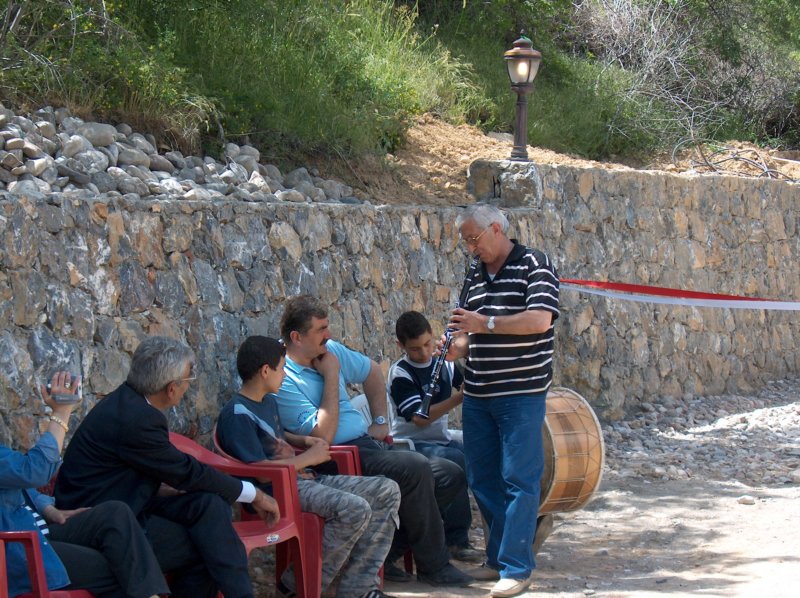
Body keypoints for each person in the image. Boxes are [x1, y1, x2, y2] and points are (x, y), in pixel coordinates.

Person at [54, 336, 281, 598]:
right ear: (172, 388)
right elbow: (187, 472)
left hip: (131, 501)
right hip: (103, 523)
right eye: (188, 380)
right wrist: (255, 494)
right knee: (209, 545)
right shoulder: (137, 419)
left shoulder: (130, 402)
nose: (188, 387)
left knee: (209, 506)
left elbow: (162, 472)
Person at [274, 295, 473, 587]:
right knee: (416, 467)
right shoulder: (285, 376)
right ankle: (434, 566)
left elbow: (371, 372)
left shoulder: (330, 350)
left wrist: (380, 420)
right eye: (321, 329)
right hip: (335, 457)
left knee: (449, 474)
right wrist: (331, 375)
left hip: (367, 445)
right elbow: (323, 437)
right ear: (296, 337)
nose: (328, 335)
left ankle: (386, 552)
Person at [216, 335, 401, 598]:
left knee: (387, 490)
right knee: (354, 508)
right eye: (281, 369)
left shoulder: (267, 401)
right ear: (265, 371)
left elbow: (276, 436)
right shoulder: (236, 414)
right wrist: (308, 458)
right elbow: (258, 469)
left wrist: (302, 440)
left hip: (303, 480)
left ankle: (358, 588)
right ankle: (294, 586)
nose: (284, 375)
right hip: (276, 491)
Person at [443, 203, 560, 598]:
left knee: (518, 479)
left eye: (474, 239)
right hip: (477, 394)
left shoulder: (535, 264)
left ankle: (516, 567)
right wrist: (457, 347)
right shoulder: (475, 274)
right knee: (482, 479)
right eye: (467, 242)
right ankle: (499, 557)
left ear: (496, 228)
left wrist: (485, 324)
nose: (472, 249)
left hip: (521, 394)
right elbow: (467, 333)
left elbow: (539, 320)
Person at [1, 371, 168, 598]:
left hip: (40, 529)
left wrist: (49, 509)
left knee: (115, 513)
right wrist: (61, 412)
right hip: (21, 548)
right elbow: (34, 470)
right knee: (117, 570)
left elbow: (15, 483)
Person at [386, 310, 481, 562]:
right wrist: (458, 397)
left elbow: (468, 382)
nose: (425, 353)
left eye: (428, 344)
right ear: (401, 346)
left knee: (477, 451)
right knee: (456, 461)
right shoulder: (400, 374)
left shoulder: (446, 361)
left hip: (439, 439)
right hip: (409, 446)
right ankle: (456, 540)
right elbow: (418, 419)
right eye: (416, 349)